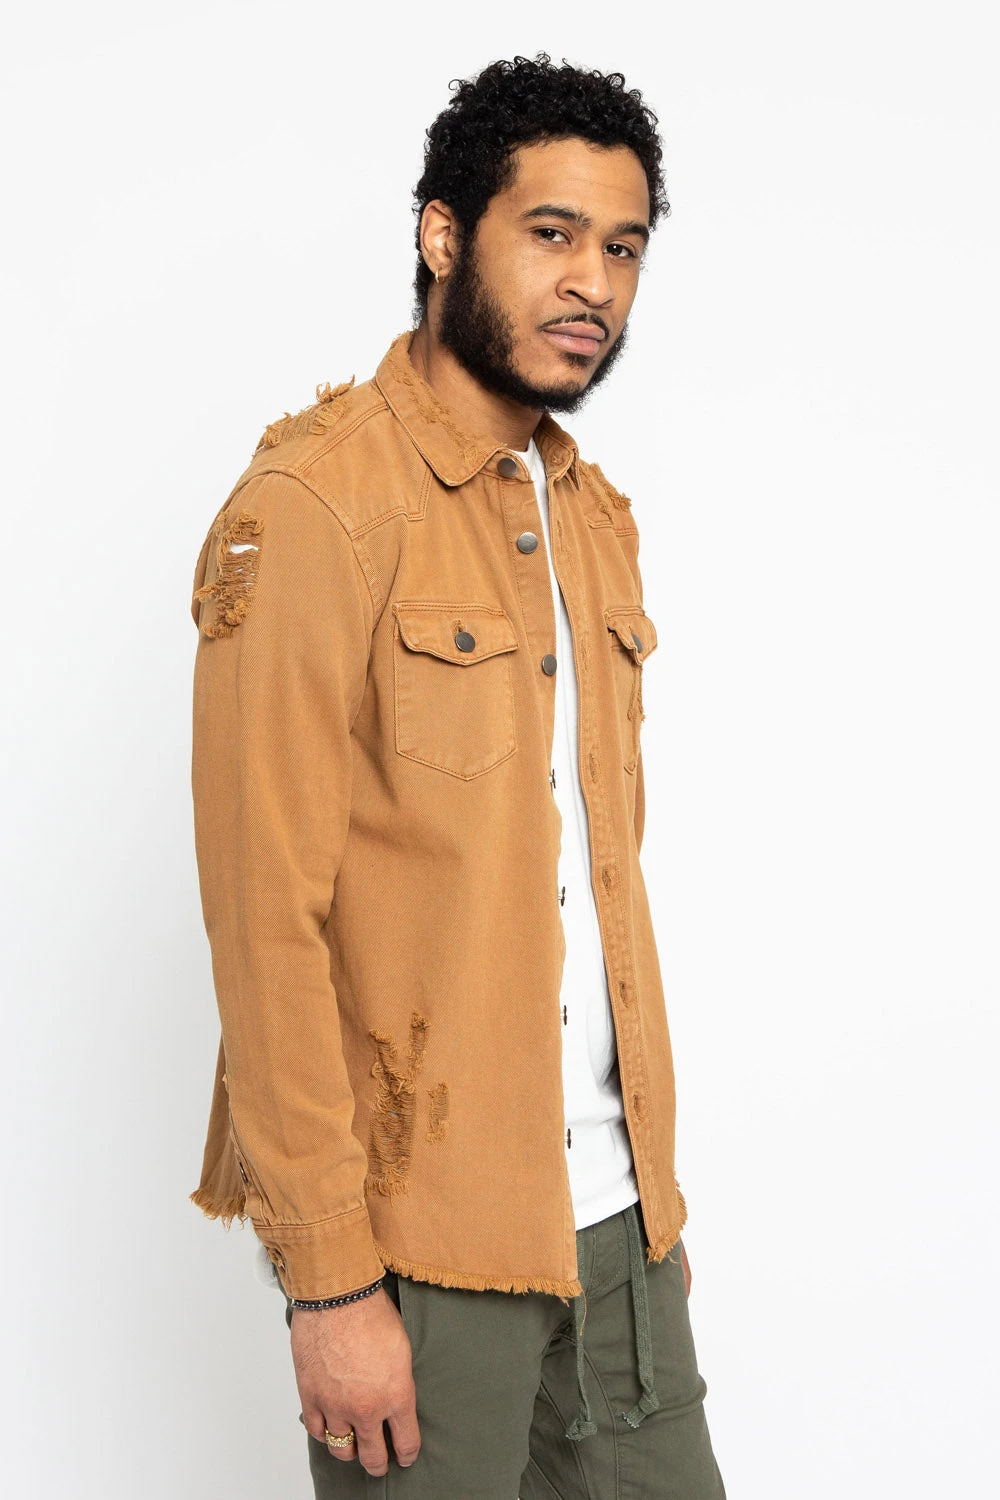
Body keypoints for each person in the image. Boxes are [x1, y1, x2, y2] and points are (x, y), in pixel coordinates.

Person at [188, 51, 726, 1499]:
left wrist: (652, 1216)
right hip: (420, 1254)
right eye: (551, 233)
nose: (593, 283)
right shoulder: (314, 505)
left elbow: (593, 885)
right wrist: (327, 1281)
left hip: (617, 1233)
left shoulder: (591, 517)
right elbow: (264, 915)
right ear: (442, 235)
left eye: (623, 247)